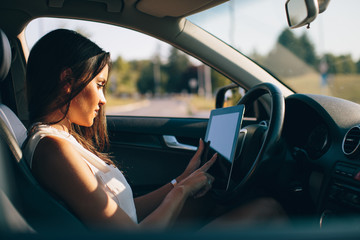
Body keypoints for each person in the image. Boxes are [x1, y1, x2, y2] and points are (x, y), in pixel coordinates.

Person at [23, 29, 285, 231]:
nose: (103, 100)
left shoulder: (61, 139)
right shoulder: (53, 149)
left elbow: (125, 211)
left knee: (211, 201)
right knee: (267, 209)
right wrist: (181, 192)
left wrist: (182, 179)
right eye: (100, 85)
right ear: (67, 81)